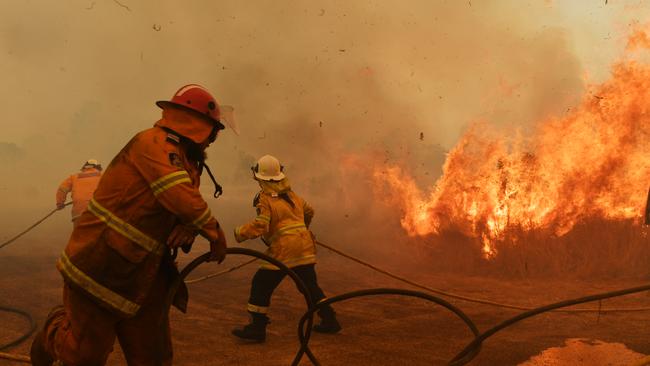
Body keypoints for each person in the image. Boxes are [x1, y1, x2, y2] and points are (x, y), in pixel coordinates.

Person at [30, 84, 230, 366]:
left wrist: (190, 225)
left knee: (154, 358)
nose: (213, 140)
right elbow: (176, 193)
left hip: (146, 276)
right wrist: (214, 231)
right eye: (214, 131)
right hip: (100, 267)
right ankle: (53, 332)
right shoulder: (153, 143)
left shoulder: (189, 163)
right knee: (83, 356)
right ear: (201, 126)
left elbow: (185, 202)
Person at [231, 154, 341, 342]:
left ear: (259, 176)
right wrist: (303, 229)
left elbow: (261, 224)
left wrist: (240, 232)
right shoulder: (292, 195)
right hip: (305, 246)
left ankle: (257, 328)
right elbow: (310, 211)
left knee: (261, 284)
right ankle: (330, 319)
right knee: (309, 285)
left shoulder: (264, 198)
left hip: (284, 251)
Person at [56, 159, 103, 227]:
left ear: (84, 168)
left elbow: (61, 190)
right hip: (99, 212)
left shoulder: (74, 177)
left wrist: (60, 203)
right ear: (98, 168)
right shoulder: (103, 176)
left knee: (80, 236)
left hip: (79, 213)